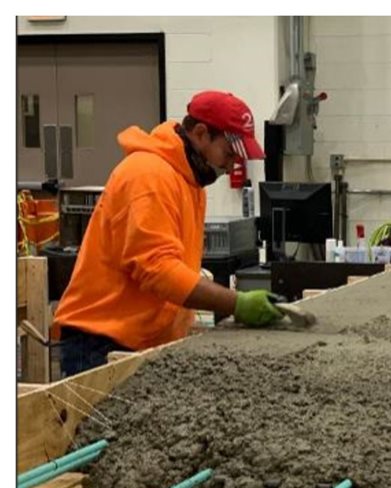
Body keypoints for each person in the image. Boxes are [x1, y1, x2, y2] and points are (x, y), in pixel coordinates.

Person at [51, 90, 284, 377]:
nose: (231, 164)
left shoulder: (189, 182)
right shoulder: (148, 176)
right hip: (101, 343)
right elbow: (158, 270)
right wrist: (236, 303)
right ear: (201, 133)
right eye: (228, 152)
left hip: (140, 340)